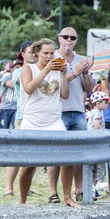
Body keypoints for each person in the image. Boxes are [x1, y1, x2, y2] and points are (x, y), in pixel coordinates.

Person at [18, 38, 75, 206]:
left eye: (52, 53)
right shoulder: (28, 68)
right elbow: (29, 88)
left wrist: (63, 74)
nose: (49, 57)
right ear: (36, 53)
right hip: (32, 120)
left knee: (66, 159)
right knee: (29, 165)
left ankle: (67, 197)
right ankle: (22, 199)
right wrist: (46, 70)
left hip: (54, 121)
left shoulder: (57, 70)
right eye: (46, 53)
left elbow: (65, 95)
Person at [48, 27, 94, 205]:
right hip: (58, 111)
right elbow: (54, 84)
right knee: (56, 155)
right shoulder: (53, 57)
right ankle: (53, 191)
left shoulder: (82, 60)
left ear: (76, 40)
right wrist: (74, 72)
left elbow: (89, 88)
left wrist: (85, 72)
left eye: (72, 37)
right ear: (59, 38)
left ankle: (79, 189)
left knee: (79, 154)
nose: (68, 39)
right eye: (65, 36)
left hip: (78, 111)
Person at [5, 41, 32, 197]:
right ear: (23, 53)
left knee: (30, 155)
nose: (33, 54)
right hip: (22, 117)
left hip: (36, 116)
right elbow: (22, 80)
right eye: (30, 52)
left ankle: (25, 186)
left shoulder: (37, 69)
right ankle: (8, 187)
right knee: (16, 154)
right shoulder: (18, 71)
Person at [88, 91, 110, 199]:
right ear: (97, 103)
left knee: (98, 168)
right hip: (95, 142)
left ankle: (91, 188)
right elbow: (97, 126)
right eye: (105, 102)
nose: (107, 104)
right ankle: (91, 188)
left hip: (95, 142)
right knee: (99, 167)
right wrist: (104, 131)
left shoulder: (98, 112)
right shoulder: (96, 113)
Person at [0, 60, 21, 129]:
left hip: (16, 108)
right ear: (11, 69)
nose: (18, 70)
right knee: (3, 130)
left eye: (20, 68)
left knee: (16, 129)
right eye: (16, 68)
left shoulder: (21, 78)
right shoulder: (6, 77)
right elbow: (12, 85)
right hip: (6, 108)